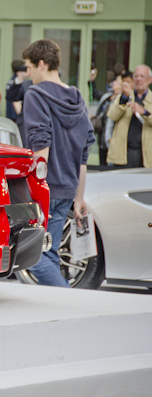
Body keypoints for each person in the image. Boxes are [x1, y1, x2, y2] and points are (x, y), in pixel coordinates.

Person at [22, 39, 95, 287]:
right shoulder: (76, 97)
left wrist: (34, 189)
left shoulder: (35, 94)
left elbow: (41, 147)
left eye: (29, 67)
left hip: (47, 188)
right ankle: (59, 305)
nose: (27, 74)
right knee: (48, 253)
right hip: (67, 190)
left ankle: (69, 301)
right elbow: (83, 153)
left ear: (41, 64)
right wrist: (79, 197)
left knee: (35, 257)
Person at [106, 64, 152, 168]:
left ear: (150, 80)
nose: (138, 79)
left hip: (146, 158)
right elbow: (112, 115)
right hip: (122, 156)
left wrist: (144, 112)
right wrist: (124, 98)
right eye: (136, 76)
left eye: (142, 76)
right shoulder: (124, 95)